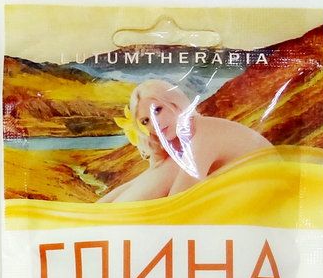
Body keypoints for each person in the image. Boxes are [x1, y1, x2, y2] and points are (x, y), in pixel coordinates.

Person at [99, 79, 271, 203]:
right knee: (164, 169)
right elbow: (144, 181)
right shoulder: (185, 137)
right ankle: (97, 215)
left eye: (157, 110)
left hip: (267, 193)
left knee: (169, 170)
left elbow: (176, 201)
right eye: (146, 121)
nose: (155, 123)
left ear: (174, 102)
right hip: (250, 192)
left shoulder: (204, 134)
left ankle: (101, 219)